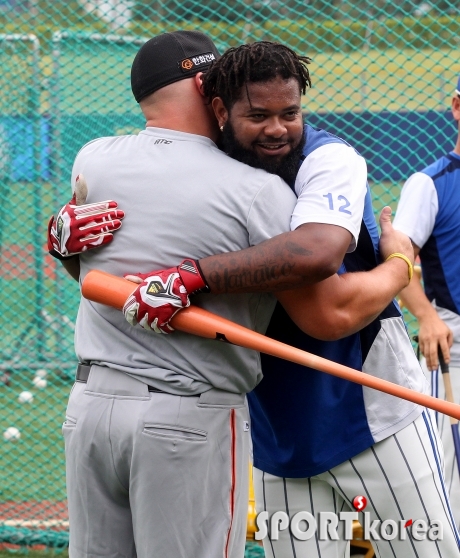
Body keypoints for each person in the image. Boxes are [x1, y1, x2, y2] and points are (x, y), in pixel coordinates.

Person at [47, 38, 445, 557]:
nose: (277, 128)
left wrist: (399, 264)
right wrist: (62, 240)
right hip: (269, 422)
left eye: (289, 113)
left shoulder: (325, 159)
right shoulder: (229, 180)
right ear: (214, 100)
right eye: (257, 114)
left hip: (366, 411)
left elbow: (326, 295)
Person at [394, 75, 460, 528]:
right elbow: (396, 266)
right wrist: (425, 315)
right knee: (450, 472)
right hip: (453, 340)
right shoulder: (429, 183)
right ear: (457, 107)